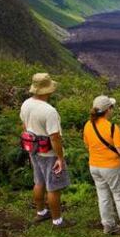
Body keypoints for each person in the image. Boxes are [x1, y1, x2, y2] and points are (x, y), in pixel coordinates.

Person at [20, 73, 74, 228]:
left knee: (39, 182)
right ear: (48, 90)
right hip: (48, 153)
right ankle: (58, 221)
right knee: (53, 187)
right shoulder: (49, 111)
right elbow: (55, 137)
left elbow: (24, 126)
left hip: (34, 150)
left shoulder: (26, 103)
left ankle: (41, 212)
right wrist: (60, 158)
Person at [83, 95, 120, 234]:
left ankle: (108, 225)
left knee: (103, 195)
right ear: (108, 110)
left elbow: (87, 145)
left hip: (94, 165)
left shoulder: (88, 125)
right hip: (112, 167)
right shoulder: (112, 127)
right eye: (112, 107)